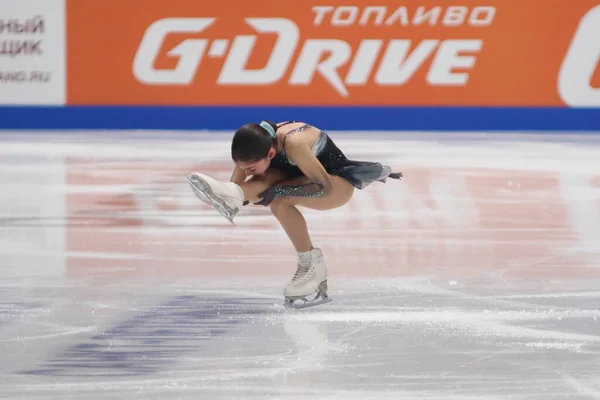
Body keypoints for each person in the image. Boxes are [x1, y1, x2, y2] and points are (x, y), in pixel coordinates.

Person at [187, 121, 402, 308]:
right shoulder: (257, 144)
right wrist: (235, 193)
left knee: (279, 201)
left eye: (250, 168)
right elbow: (241, 183)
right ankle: (231, 196)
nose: (247, 171)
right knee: (258, 184)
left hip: (335, 185)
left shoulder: (295, 143)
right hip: (299, 178)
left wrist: (278, 191)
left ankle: (313, 266)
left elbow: (324, 187)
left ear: (270, 153)